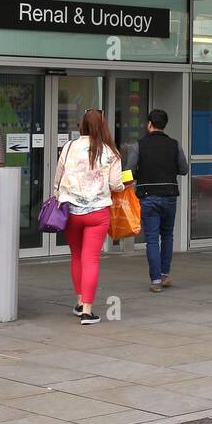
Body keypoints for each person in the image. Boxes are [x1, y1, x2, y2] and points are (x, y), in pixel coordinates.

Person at [55, 109, 125, 325]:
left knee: (76, 256)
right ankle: (87, 311)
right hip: (98, 213)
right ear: (103, 126)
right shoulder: (111, 152)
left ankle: (78, 302)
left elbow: (58, 179)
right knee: (91, 259)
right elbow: (115, 184)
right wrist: (124, 185)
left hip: (71, 212)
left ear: (81, 125)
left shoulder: (69, 147)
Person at [126, 108, 189, 293]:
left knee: (152, 239)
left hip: (147, 196)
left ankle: (155, 280)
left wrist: (137, 176)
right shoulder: (174, 144)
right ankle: (165, 274)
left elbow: (129, 171)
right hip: (169, 195)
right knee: (168, 235)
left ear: (149, 124)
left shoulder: (139, 145)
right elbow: (183, 169)